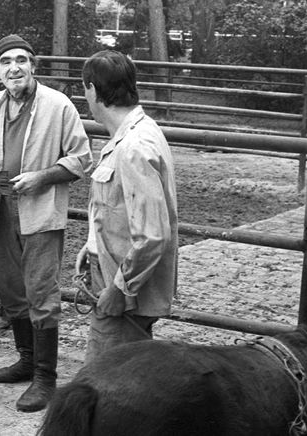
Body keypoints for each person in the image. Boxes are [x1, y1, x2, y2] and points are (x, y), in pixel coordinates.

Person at [0, 34, 93, 412]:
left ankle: (45, 378)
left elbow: (82, 157)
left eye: (21, 60)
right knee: (11, 289)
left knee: (41, 291)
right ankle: (26, 361)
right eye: (5, 61)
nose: (14, 67)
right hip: (2, 210)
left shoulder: (58, 106)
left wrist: (42, 177)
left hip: (40, 212)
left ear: (33, 66)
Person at [76, 49, 178, 364]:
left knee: (104, 384)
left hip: (123, 294)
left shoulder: (134, 147)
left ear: (92, 89)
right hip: (113, 275)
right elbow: (121, 211)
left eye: (85, 88)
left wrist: (120, 289)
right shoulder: (134, 135)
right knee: (131, 375)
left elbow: (152, 235)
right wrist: (92, 245)